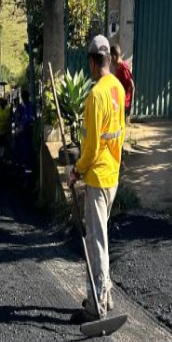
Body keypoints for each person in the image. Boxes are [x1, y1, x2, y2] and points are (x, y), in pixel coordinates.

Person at [68, 35, 125, 323]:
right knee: (101, 235)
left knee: (96, 242)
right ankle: (107, 294)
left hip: (98, 177)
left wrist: (76, 170)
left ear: (92, 62)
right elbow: (120, 132)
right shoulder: (116, 87)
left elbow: (90, 148)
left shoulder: (95, 95)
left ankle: (97, 304)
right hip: (112, 173)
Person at [15, 89, 35, 184]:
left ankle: (28, 180)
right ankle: (24, 175)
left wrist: (22, 128)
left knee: (27, 158)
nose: (22, 99)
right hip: (23, 136)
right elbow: (20, 119)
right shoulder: (24, 107)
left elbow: (29, 120)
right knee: (22, 155)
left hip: (27, 136)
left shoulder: (29, 107)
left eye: (23, 98)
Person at [110, 43, 134, 122]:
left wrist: (130, 106)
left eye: (111, 57)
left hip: (124, 105)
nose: (110, 61)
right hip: (118, 103)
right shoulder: (118, 68)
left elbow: (132, 86)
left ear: (114, 56)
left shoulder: (124, 68)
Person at [0, 97, 12, 167]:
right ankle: (0, 158)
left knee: (7, 144)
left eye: (2, 102)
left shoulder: (7, 108)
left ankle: (7, 158)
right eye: (0, 102)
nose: (1, 104)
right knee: (0, 144)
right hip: (0, 129)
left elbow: (10, 117)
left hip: (6, 129)